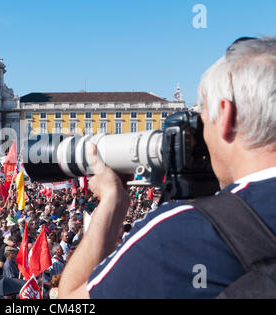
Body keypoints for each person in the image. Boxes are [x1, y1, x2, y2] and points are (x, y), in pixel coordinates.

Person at [58, 36, 276, 298]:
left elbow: (68, 300)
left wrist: (111, 202)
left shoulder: (182, 233)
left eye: (202, 120)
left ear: (226, 116)